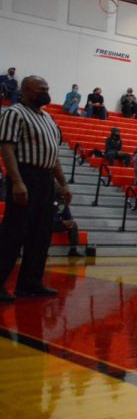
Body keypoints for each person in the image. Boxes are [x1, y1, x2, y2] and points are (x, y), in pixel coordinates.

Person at [0, 75, 71, 300]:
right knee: (14, 232)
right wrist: (17, 181)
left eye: (47, 88)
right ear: (26, 90)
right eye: (41, 89)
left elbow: (54, 155)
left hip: (45, 178)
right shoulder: (14, 113)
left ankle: (30, 282)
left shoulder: (49, 118)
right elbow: (7, 148)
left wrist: (63, 184)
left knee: (41, 234)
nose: (46, 92)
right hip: (25, 175)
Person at [52, 183, 82, 257]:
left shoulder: (62, 203)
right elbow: (49, 217)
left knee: (73, 225)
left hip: (57, 224)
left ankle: (73, 250)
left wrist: (69, 221)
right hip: (47, 223)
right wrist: (62, 222)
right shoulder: (50, 201)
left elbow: (68, 216)